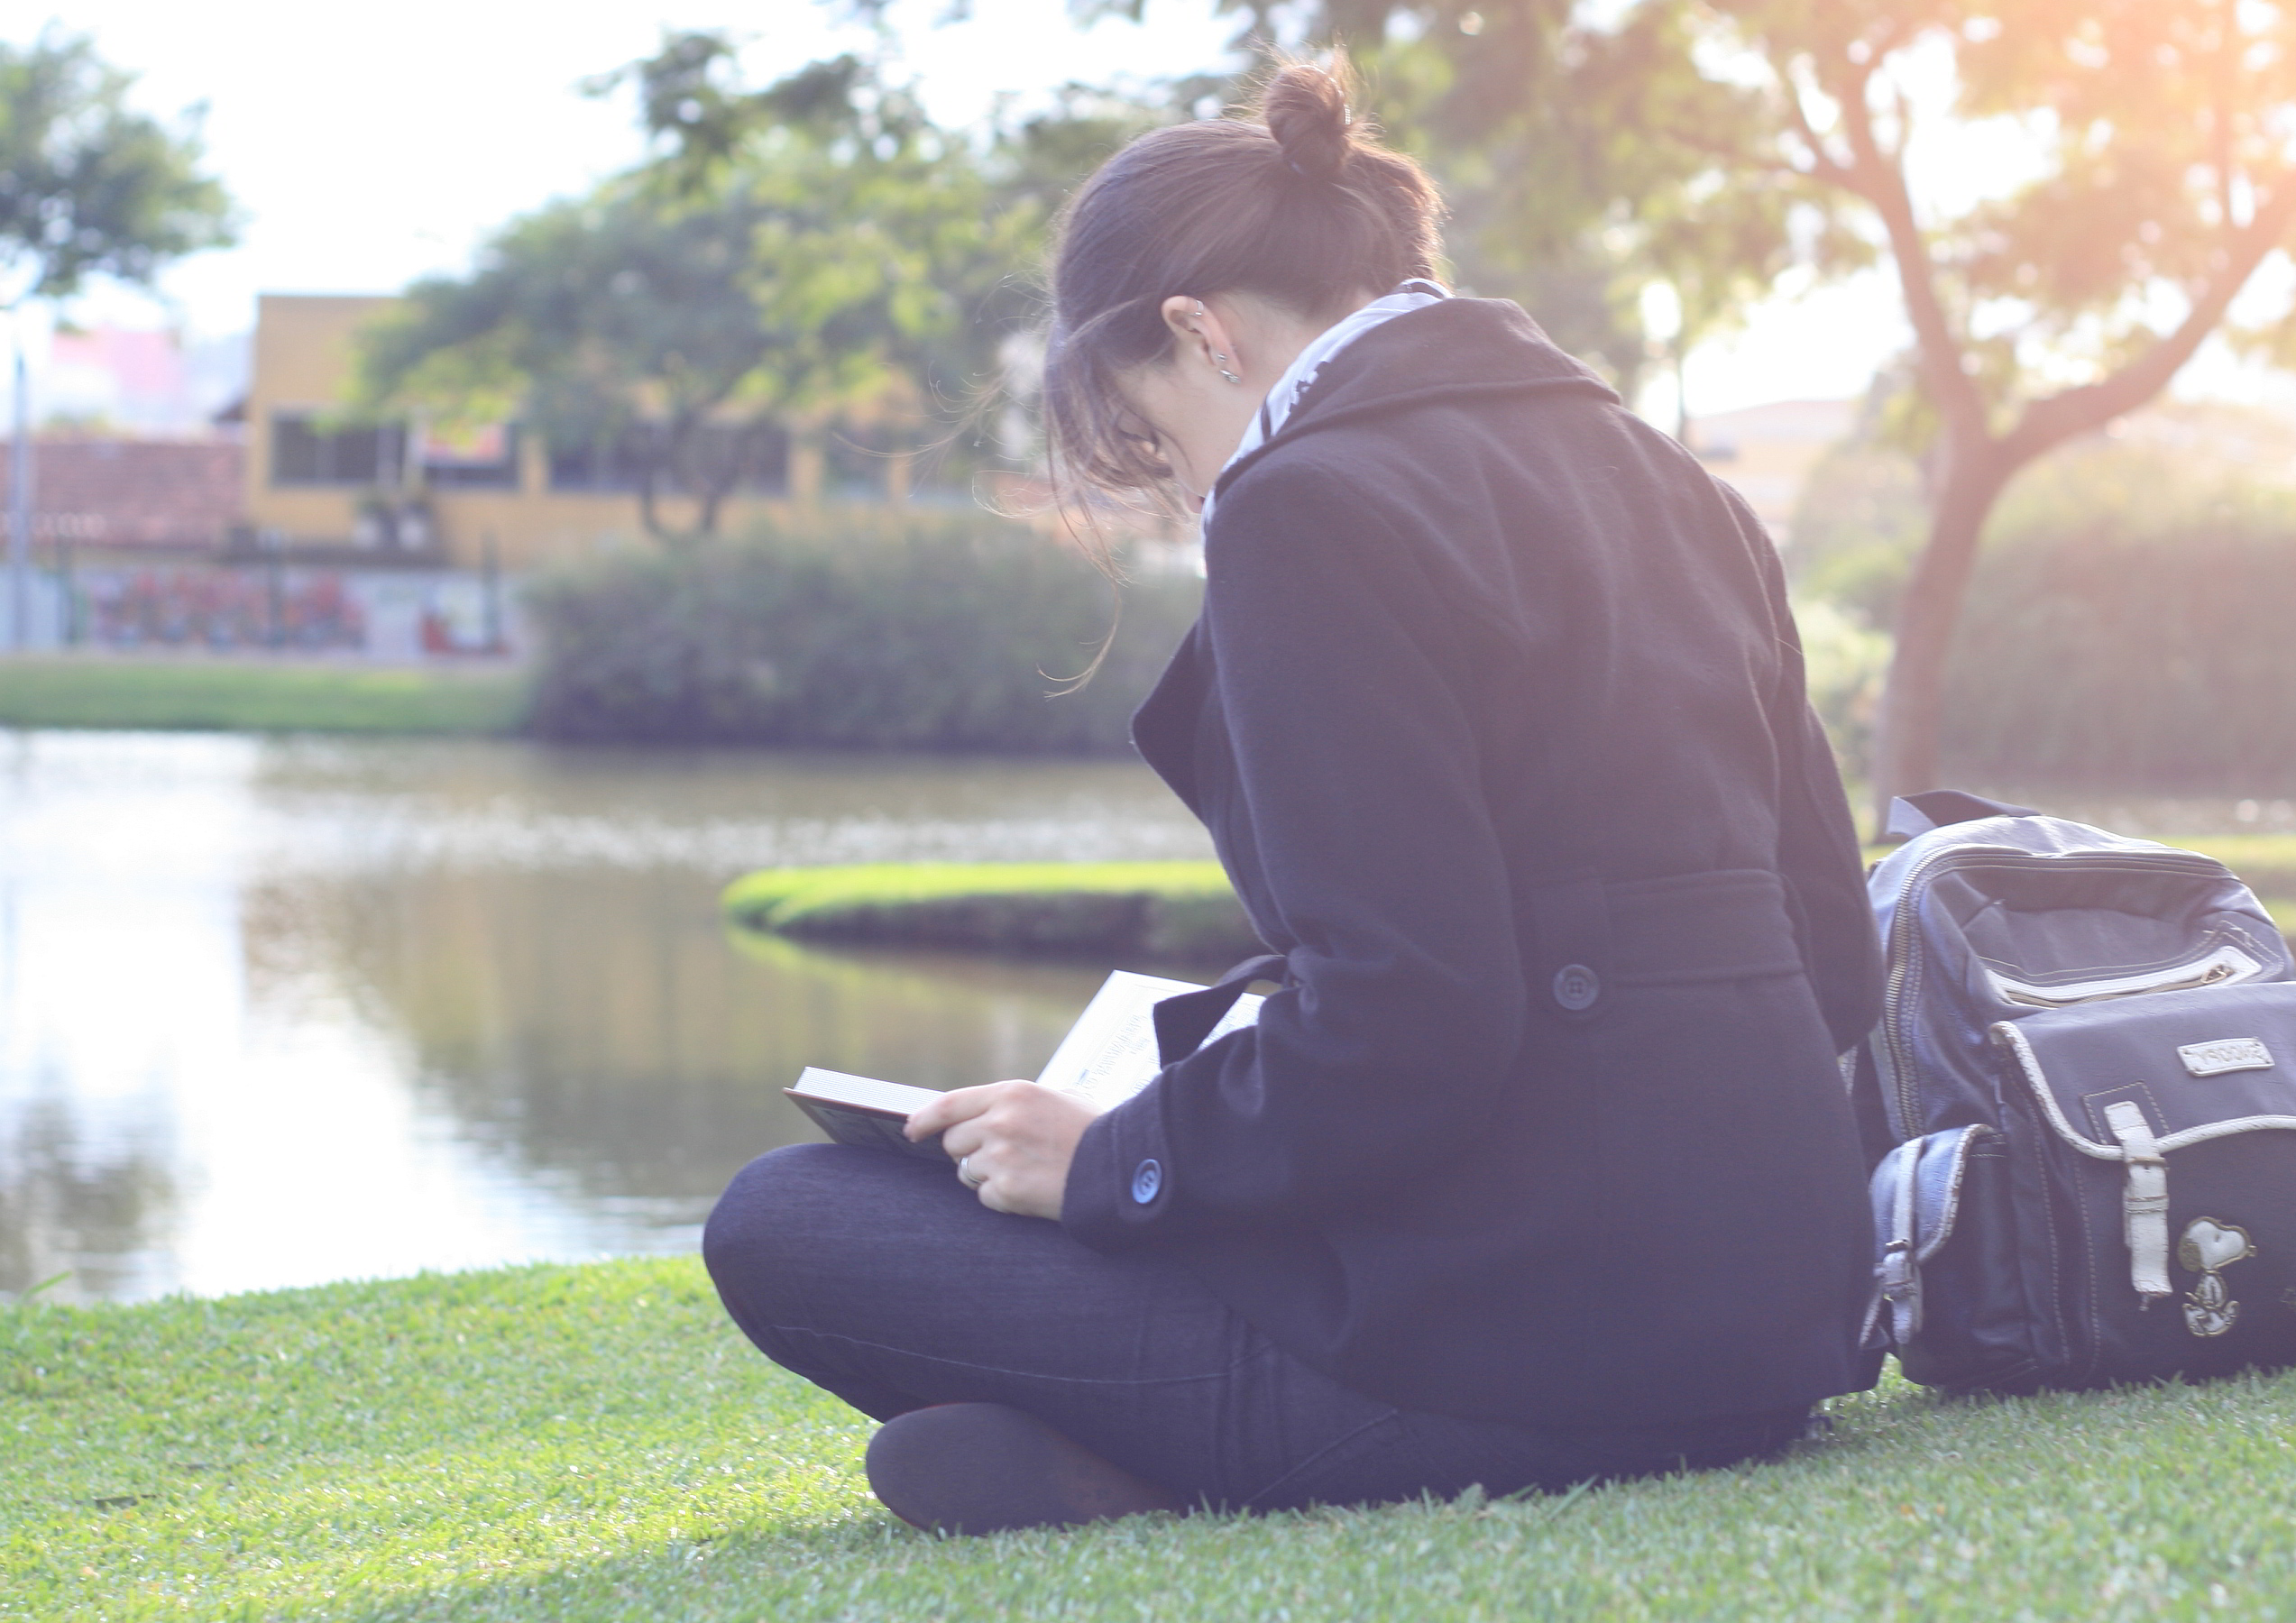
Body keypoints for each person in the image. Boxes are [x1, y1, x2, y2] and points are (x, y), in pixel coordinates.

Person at [702, 57, 1883, 1536]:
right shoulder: (1675, 480)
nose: (1183, 481)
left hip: (1519, 1361)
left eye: (1151, 431)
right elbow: (1834, 961)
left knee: (792, 1217)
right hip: (1766, 1344)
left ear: (1198, 334)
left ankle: (1200, 1467)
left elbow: (1417, 1020)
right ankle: (1123, 1471)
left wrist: (1114, 1161)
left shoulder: (1309, 501)